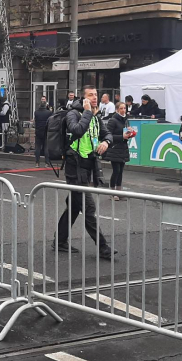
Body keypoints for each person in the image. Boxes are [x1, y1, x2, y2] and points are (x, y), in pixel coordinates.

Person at [55, 85, 115, 260]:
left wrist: (107, 143)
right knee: (88, 207)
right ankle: (103, 247)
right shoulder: (73, 113)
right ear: (83, 98)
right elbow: (77, 130)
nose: (95, 97)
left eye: (96, 94)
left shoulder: (96, 117)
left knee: (74, 206)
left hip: (89, 166)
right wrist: (88, 112)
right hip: (75, 166)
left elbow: (107, 134)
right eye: (91, 95)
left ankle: (59, 241)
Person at [104, 102, 132, 200]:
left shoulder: (126, 120)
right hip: (115, 148)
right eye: (121, 108)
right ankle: (112, 192)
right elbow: (108, 135)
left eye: (124, 108)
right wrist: (122, 137)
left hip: (123, 148)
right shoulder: (113, 120)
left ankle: (119, 191)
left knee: (120, 172)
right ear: (117, 110)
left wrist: (131, 133)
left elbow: (125, 134)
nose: (123, 110)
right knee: (116, 171)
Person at [33, 101, 52, 167]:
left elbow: (35, 121)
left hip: (38, 131)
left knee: (37, 147)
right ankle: (47, 163)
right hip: (46, 131)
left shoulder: (36, 112)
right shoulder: (48, 112)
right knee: (46, 147)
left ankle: (37, 163)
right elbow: (51, 120)